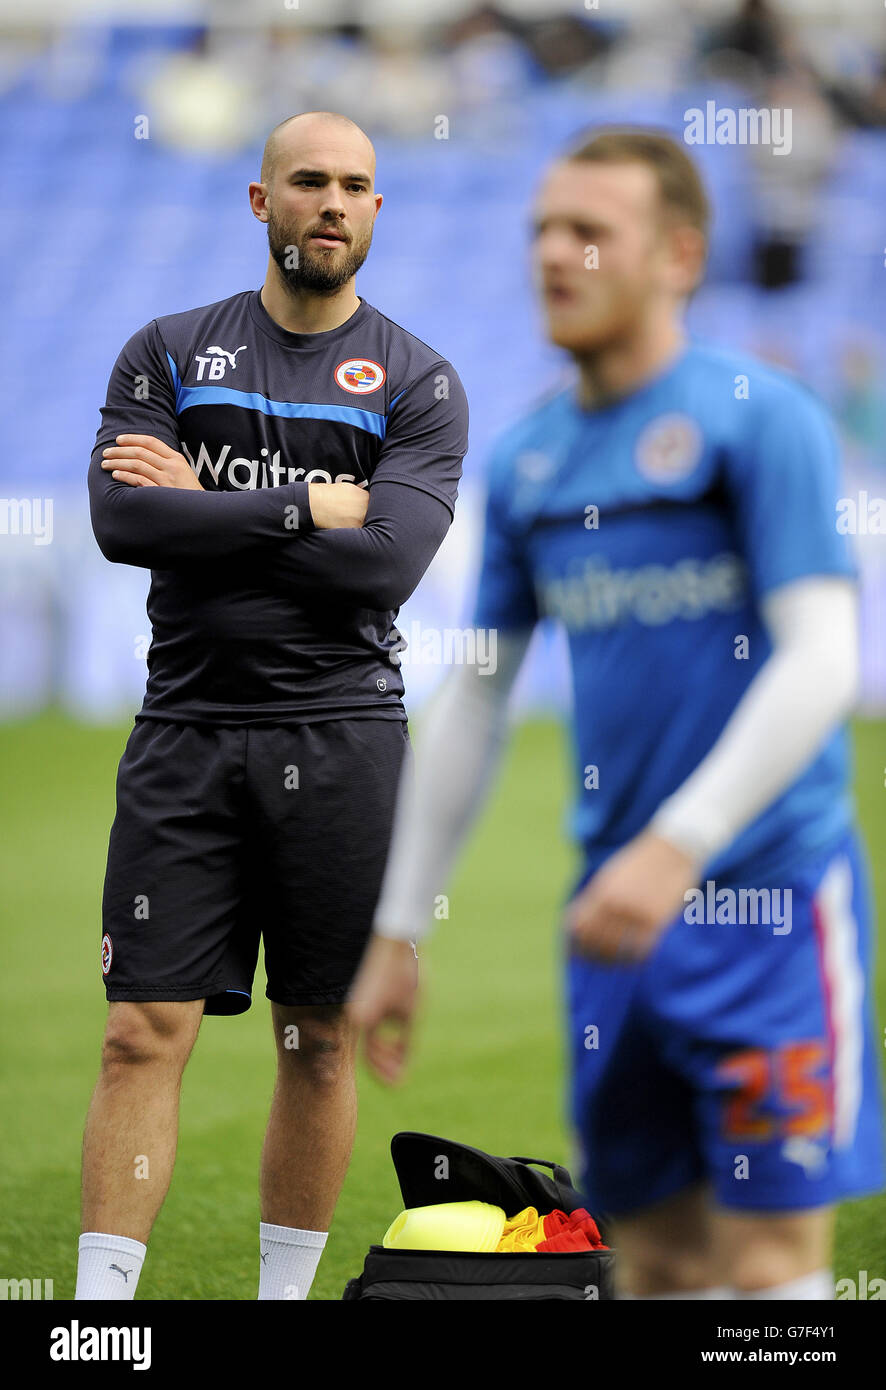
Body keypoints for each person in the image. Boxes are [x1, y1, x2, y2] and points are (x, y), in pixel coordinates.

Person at [350, 128, 885, 1300]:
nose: (554, 253)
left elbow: (821, 658)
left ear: (678, 255)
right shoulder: (535, 459)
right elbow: (478, 694)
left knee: (766, 1271)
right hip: (613, 926)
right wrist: (398, 928)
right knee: (652, 1264)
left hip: (769, 907)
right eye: (542, 228)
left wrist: (676, 845)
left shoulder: (761, 419)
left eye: (590, 231)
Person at [79, 110, 468, 1301]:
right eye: (308, 181)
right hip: (185, 733)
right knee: (139, 1032)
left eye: (356, 183)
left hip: (345, 739)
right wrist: (315, 505)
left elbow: (386, 565)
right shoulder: (168, 351)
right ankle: (100, 1322)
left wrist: (212, 503)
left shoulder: (419, 379)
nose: (332, 202)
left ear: (376, 209)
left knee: (316, 1037)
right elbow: (122, 523)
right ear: (263, 203)